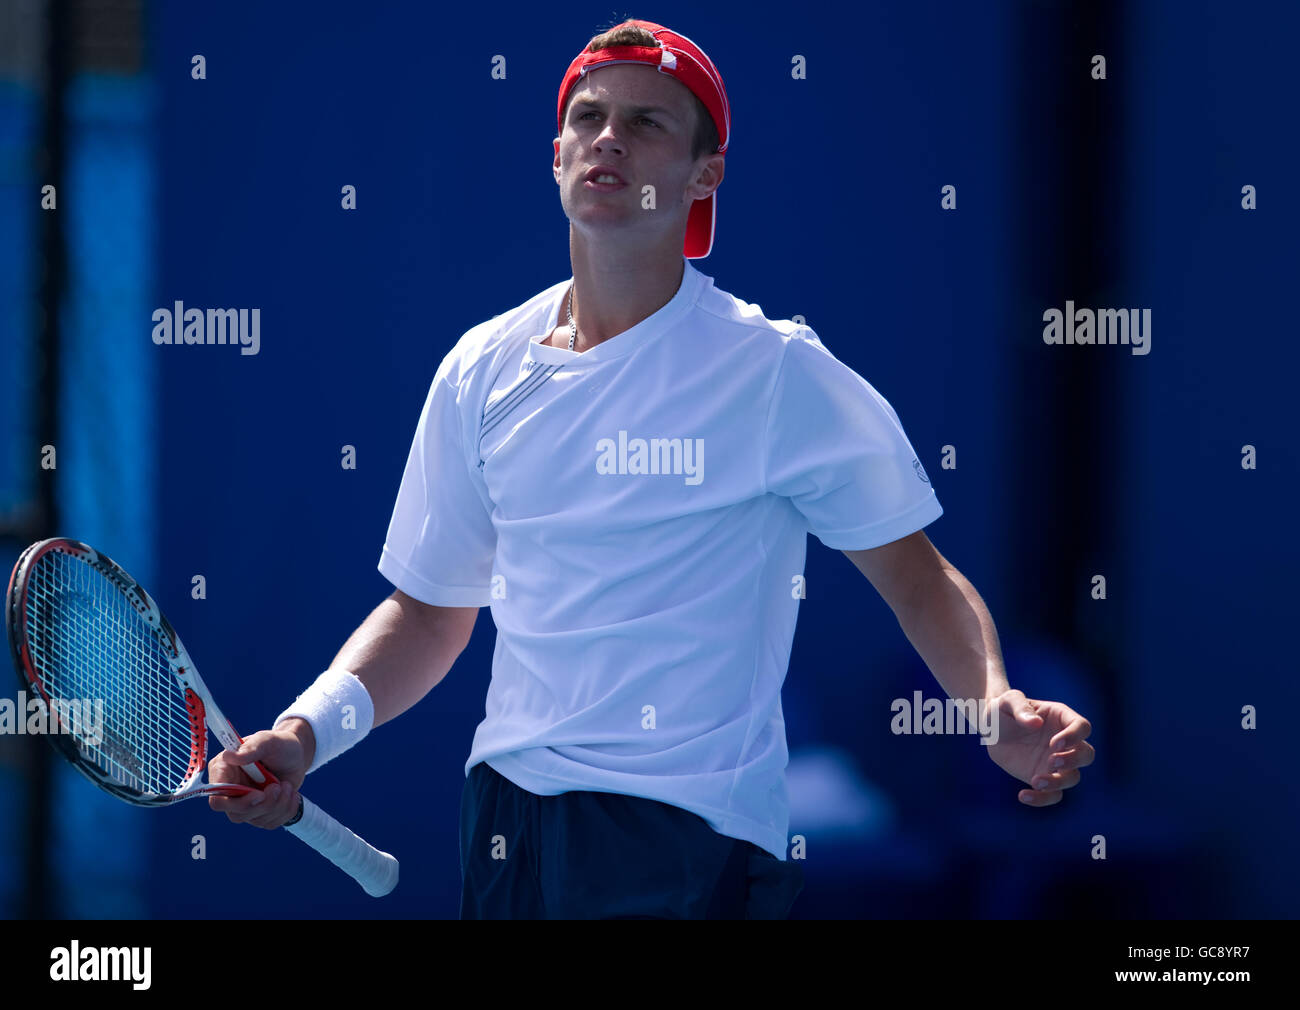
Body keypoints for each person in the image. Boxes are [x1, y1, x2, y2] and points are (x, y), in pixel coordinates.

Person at [209, 18, 1095, 919]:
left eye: (647, 124)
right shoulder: (479, 367)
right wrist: (304, 733)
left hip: (687, 838)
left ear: (704, 174)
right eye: (589, 117)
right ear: (556, 155)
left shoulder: (776, 371)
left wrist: (993, 706)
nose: (609, 139)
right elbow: (431, 612)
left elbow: (918, 576)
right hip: (507, 824)